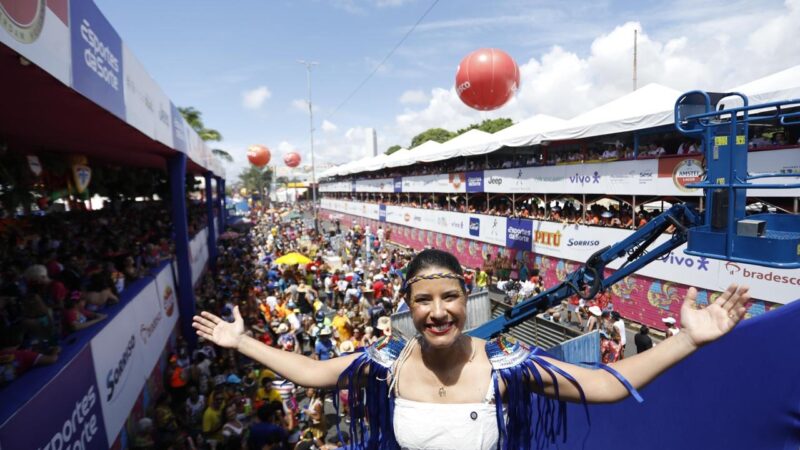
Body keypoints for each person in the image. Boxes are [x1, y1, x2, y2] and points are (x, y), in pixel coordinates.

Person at [193, 249, 750, 450]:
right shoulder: (385, 365)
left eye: (450, 297)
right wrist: (240, 340)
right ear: (407, 307)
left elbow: (603, 384)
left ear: (466, 299)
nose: (438, 312)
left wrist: (687, 338)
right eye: (424, 300)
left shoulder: (505, 368)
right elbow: (314, 373)